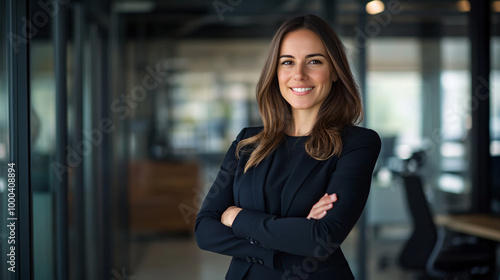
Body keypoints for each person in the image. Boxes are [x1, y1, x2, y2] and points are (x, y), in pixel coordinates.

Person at [195, 14, 381, 280]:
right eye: (287, 62)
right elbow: (205, 230)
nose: (299, 75)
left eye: (314, 61)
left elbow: (321, 239)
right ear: (276, 72)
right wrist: (294, 234)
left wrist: (236, 217)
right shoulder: (248, 143)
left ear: (336, 72)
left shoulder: (357, 143)